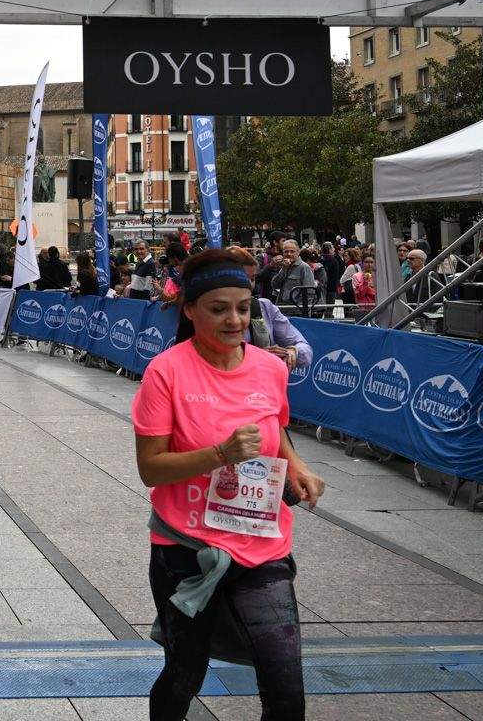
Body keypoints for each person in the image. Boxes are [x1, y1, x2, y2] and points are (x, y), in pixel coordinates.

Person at [131, 247, 325, 721]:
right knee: (184, 674)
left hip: (260, 543)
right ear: (190, 310)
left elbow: (275, 427)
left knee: (286, 689)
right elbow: (151, 468)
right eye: (219, 309)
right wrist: (220, 454)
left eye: (243, 308)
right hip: (187, 549)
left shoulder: (270, 367)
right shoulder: (166, 372)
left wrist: (296, 465)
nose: (234, 320)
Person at [226, 248, 311, 368]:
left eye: (252, 278)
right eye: (242, 278)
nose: (248, 284)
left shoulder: (265, 307)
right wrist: (259, 356)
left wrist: (292, 352)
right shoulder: (209, 314)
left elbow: (304, 349)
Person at [270, 240, 319, 314]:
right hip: (282, 310)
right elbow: (274, 285)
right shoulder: (284, 266)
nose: (289, 254)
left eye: (292, 251)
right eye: (286, 251)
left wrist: (301, 311)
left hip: (296, 312)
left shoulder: (304, 267)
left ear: (298, 252)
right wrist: (283, 269)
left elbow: (309, 293)